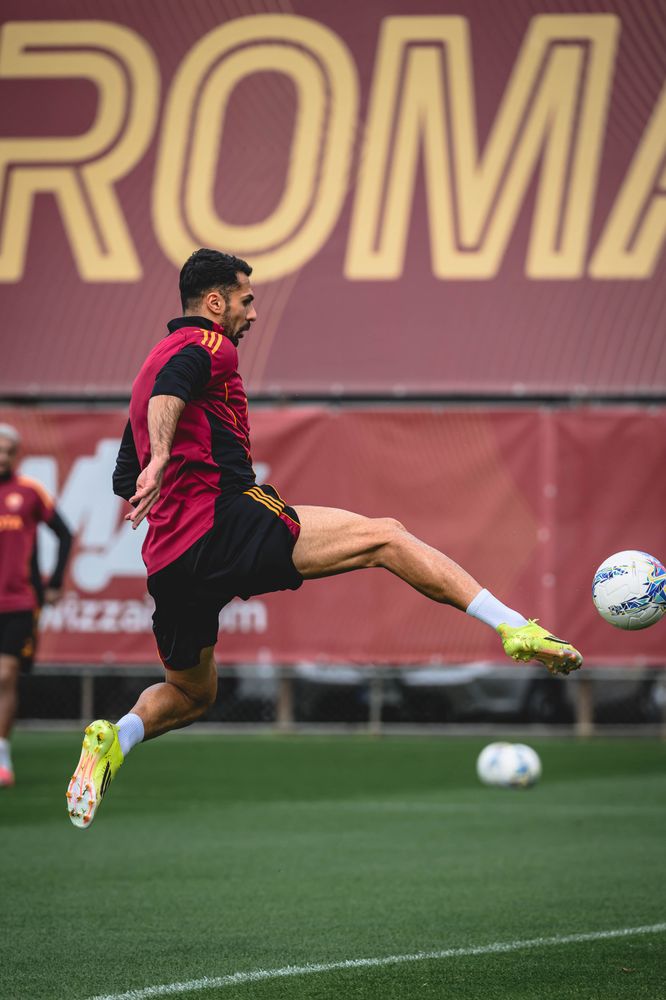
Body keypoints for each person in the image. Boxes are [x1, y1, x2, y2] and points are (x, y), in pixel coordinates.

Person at [66, 249, 582, 828]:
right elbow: (174, 390)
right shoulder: (210, 345)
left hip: (169, 557)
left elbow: (122, 473)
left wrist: (158, 461)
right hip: (226, 519)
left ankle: (116, 738)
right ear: (215, 303)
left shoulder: (144, 370)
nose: (253, 314)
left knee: (191, 692)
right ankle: (514, 626)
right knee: (386, 537)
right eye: (246, 299)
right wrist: (164, 455)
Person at [0, 423, 73, 786]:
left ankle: (1, 755)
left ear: (17, 454)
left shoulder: (29, 492)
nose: (2, 456)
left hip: (17, 601)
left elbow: (65, 532)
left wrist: (55, 582)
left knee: (5, 675)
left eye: (8, 450)